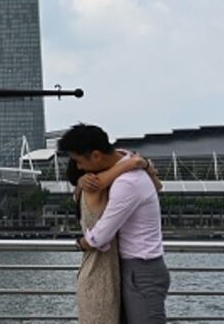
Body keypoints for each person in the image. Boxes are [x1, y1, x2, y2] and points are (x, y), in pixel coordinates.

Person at [60, 123, 169, 323]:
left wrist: (81, 243)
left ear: (96, 155)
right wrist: (137, 163)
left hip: (141, 268)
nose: (78, 167)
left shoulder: (126, 182)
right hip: (131, 267)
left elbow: (101, 236)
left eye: (79, 161)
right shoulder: (125, 164)